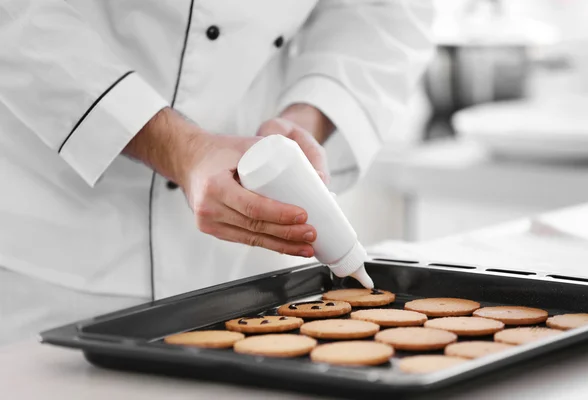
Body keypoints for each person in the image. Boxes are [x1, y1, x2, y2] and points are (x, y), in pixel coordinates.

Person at [0, 0, 433, 343]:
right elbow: (19, 17)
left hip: (251, 276)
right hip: (59, 253)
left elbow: (384, 10)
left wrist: (304, 122)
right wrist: (181, 149)